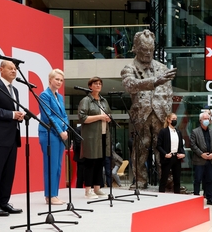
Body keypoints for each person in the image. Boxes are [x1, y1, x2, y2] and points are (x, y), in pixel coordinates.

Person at [121, 29, 175, 189]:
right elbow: (130, 85)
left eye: (150, 50)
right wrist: (154, 81)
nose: (147, 53)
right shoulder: (129, 68)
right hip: (142, 115)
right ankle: (140, 180)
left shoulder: (162, 67)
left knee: (163, 150)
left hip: (161, 115)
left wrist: (168, 115)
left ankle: (167, 180)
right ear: (136, 48)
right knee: (140, 149)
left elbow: (169, 93)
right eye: (144, 50)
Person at [0, 60, 24, 214]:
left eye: (15, 69)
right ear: (1, 69)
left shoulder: (15, 90)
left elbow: (11, 111)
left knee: (8, 172)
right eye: (10, 68)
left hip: (12, 136)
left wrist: (18, 116)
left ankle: (4, 202)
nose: (14, 71)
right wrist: (12, 114)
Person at [38, 69, 69, 205]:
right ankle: (49, 195)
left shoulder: (60, 97)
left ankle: (54, 194)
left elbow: (64, 115)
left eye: (61, 80)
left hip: (61, 133)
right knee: (51, 165)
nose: (59, 82)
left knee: (58, 166)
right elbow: (48, 116)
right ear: (50, 80)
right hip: (49, 133)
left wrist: (66, 128)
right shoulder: (44, 95)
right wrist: (60, 131)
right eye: (57, 79)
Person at [77, 77, 111, 199]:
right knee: (90, 162)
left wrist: (108, 117)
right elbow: (82, 118)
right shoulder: (86, 100)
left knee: (100, 162)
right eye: (95, 84)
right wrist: (100, 117)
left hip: (103, 135)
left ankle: (97, 188)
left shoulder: (104, 101)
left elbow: (108, 114)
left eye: (100, 84)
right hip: (91, 136)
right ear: (90, 86)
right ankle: (88, 190)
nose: (98, 85)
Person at [190, 112, 212, 206]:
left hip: (211, 160)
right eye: (205, 118)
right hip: (199, 160)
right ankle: (196, 198)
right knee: (198, 180)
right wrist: (201, 154)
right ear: (200, 120)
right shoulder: (195, 131)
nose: (207, 120)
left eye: (208, 119)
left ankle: (209, 198)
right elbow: (193, 145)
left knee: (210, 180)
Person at [156, 113, 185, 193]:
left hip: (177, 157)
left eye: (176, 118)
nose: (175, 120)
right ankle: (161, 195)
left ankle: (177, 196)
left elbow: (181, 146)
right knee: (164, 178)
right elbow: (158, 146)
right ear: (169, 120)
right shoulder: (163, 131)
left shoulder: (178, 132)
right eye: (173, 119)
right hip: (167, 157)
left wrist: (183, 153)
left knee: (177, 179)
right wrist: (165, 154)